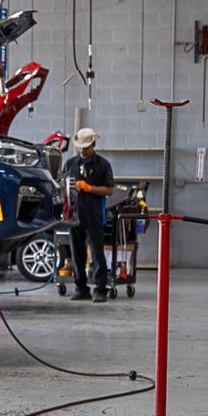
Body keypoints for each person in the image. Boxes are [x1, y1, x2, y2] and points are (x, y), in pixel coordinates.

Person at [66, 128, 116, 304]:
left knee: (96, 253)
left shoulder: (103, 165)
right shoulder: (70, 164)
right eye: (80, 147)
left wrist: (90, 188)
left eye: (86, 147)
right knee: (76, 254)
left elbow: (110, 190)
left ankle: (100, 289)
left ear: (94, 145)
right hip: (74, 216)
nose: (82, 150)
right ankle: (81, 289)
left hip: (94, 216)